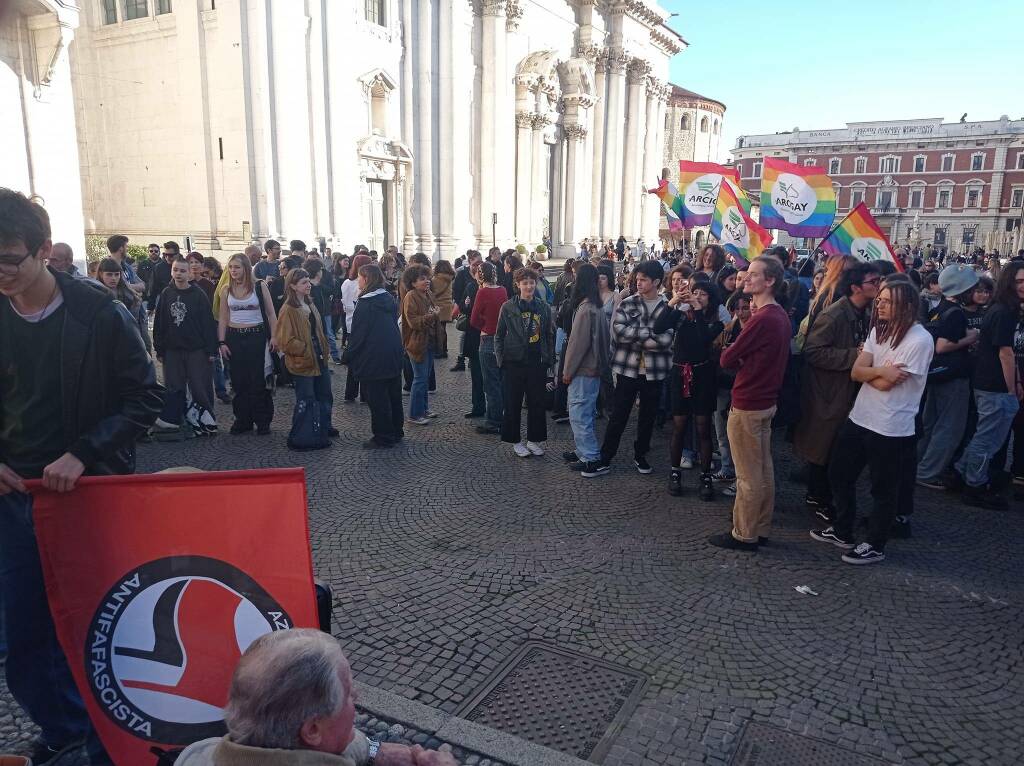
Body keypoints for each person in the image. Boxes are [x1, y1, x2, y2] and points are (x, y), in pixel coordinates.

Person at [0, 188, 162, 766]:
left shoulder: (100, 313)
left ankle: (107, 736)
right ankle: (65, 727)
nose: (1, 274)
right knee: (23, 636)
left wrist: (83, 454)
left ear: (44, 250)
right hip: (14, 498)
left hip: (86, 493)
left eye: (9, 259)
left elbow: (145, 397)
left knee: (97, 626)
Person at [177, 629, 456, 766]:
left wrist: (374, 751)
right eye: (348, 694)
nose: (356, 696)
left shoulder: (197, 754)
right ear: (312, 729)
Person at [811, 280, 934, 564]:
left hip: (891, 426)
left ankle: (875, 543)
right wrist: (879, 371)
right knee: (839, 474)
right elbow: (857, 372)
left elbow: (886, 386)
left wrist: (874, 375)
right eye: (880, 299)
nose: (880, 304)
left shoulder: (919, 340)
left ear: (907, 306)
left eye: (888, 301)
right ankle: (843, 529)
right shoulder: (879, 330)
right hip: (860, 417)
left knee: (883, 488)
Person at [708, 257, 792, 552]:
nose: (747, 279)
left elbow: (727, 358)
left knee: (748, 474)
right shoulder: (778, 314)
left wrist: (737, 346)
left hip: (748, 402)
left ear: (770, 281)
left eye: (754, 275)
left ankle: (744, 533)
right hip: (766, 400)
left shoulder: (764, 318)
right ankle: (761, 527)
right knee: (763, 469)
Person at [793, 262, 880, 517]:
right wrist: (855, 355)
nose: (878, 286)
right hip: (828, 393)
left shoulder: (864, 312)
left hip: (846, 391)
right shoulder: (835, 315)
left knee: (835, 449)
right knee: (824, 447)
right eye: (873, 282)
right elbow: (813, 351)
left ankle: (823, 495)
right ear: (855, 288)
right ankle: (818, 497)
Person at [586, 260, 674, 477]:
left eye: (643, 279)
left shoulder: (667, 306)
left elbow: (668, 338)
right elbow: (618, 331)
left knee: (648, 416)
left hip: (655, 371)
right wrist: (649, 335)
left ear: (656, 282)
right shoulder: (628, 302)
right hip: (628, 369)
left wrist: (638, 335)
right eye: (637, 279)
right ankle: (605, 457)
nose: (638, 282)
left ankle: (641, 454)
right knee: (619, 414)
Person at [953, 262, 1024, 509]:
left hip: (992, 382)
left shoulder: (1003, 309)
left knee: (985, 435)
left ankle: (961, 472)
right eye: (1019, 281)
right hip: (994, 384)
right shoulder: (1004, 312)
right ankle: (975, 485)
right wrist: (1012, 389)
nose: (1023, 286)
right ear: (1008, 283)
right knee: (989, 438)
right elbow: (1006, 353)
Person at [655, 275, 724, 499]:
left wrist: (698, 311)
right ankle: (675, 473)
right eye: (696, 293)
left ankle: (705, 476)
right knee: (679, 425)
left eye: (703, 294)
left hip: (703, 375)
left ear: (710, 299)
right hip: (679, 373)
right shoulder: (682, 315)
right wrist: (673, 302)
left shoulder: (716, 320)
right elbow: (658, 326)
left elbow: (704, 338)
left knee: (703, 427)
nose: (698, 297)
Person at [915, 264, 980, 489]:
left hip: (938, 374)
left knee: (930, 423)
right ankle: (928, 472)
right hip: (953, 375)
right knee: (949, 427)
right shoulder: (956, 314)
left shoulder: (940, 306)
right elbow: (943, 346)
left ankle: (918, 465)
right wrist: (970, 339)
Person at [153, 256, 219, 434]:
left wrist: (211, 350)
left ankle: (206, 421)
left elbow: (207, 323)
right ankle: (178, 420)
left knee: (200, 387)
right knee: (174, 387)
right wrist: (159, 347)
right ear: (171, 271)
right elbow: (160, 322)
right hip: (172, 349)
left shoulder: (198, 295)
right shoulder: (167, 293)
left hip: (196, 349)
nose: (179, 274)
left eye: (183, 270)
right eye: (176, 270)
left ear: (189, 272)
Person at [495, 267, 554, 457]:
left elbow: (548, 334)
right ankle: (515, 441)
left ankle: (534, 440)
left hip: (536, 360)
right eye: (525, 283)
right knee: (512, 402)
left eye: (531, 282)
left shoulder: (543, 307)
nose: (529, 286)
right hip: (513, 360)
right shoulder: (508, 307)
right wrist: (500, 359)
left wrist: (549, 358)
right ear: (518, 285)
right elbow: (498, 336)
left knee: (537, 402)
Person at [275, 268, 336, 450]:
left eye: (308, 281)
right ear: (292, 286)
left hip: (318, 357)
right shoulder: (288, 309)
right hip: (303, 360)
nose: (308, 284)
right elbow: (284, 340)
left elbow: (318, 330)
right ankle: (305, 435)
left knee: (324, 394)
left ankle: (323, 428)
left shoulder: (310, 303)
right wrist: (303, 349)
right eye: (303, 282)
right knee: (307, 398)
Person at [217, 253, 278, 435]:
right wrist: (221, 342)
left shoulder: (259, 286)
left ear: (246, 268)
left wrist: (274, 336)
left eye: (237, 267)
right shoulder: (226, 290)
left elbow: (270, 313)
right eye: (231, 267)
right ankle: (242, 419)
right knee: (238, 380)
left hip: (256, 336)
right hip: (234, 336)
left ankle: (262, 420)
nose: (233, 271)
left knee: (258, 379)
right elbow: (223, 317)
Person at [346, 264, 405, 448]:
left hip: (374, 357)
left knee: (377, 398)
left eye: (360, 278)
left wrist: (348, 355)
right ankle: (396, 430)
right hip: (393, 352)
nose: (358, 281)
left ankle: (383, 436)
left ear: (366, 279)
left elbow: (358, 334)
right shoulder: (388, 297)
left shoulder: (366, 303)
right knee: (393, 395)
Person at [561, 264, 609, 473]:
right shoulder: (596, 306)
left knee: (579, 414)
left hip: (583, 369)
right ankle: (583, 450)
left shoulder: (585, 309)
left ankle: (590, 456)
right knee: (585, 412)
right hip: (593, 368)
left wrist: (567, 371)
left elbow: (577, 345)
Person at [470, 261, 507, 435]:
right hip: (503, 339)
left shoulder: (482, 292)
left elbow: (473, 319)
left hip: (487, 339)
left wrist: (485, 326)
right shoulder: (503, 290)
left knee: (491, 383)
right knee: (500, 381)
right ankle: (502, 416)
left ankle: (493, 421)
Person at [402, 265, 441, 425]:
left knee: (424, 378)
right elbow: (414, 322)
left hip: (429, 342)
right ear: (413, 283)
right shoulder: (411, 296)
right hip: (417, 343)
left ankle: (423, 408)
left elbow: (433, 311)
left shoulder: (428, 294)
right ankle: (414, 414)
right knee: (419, 378)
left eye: (427, 278)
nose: (427, 281)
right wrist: (432, 316)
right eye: (422, 279)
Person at [96, 256, 149, 345]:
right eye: (109, 274)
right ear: (101, 274)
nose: (113, 278)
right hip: (102, 340)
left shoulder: (129, 294)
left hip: (126, 339)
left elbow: (134, 322)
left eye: (117, 274)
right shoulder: (94, 292)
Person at [461, 260, 486, 419]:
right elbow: (463, 307)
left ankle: (479, 407)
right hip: (482, 334)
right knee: (483, 374)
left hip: (477, 333)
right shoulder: (472, 287)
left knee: (478, 374)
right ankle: (485, 407)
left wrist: (467, 305)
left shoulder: (475, 287)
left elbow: (465, 308)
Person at [450, 249, 481, 371]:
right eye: (475, 263)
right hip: (466, 309)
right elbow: (456, 291)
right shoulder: (463, 274)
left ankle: (473, 357)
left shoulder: (483, 273)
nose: (478, 266)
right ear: (469, 262)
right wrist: (462, 304)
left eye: (480, 263)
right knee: (464, 334)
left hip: (478, 311)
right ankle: (461, 359)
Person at [431, 260, 456, 359]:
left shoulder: (435, 279)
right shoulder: (449, 278)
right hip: (447, 305)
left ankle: (440, 350)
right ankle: (444, 349)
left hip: (438, 306)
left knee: (438, 330)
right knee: (443, 329)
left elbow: (433, 293)